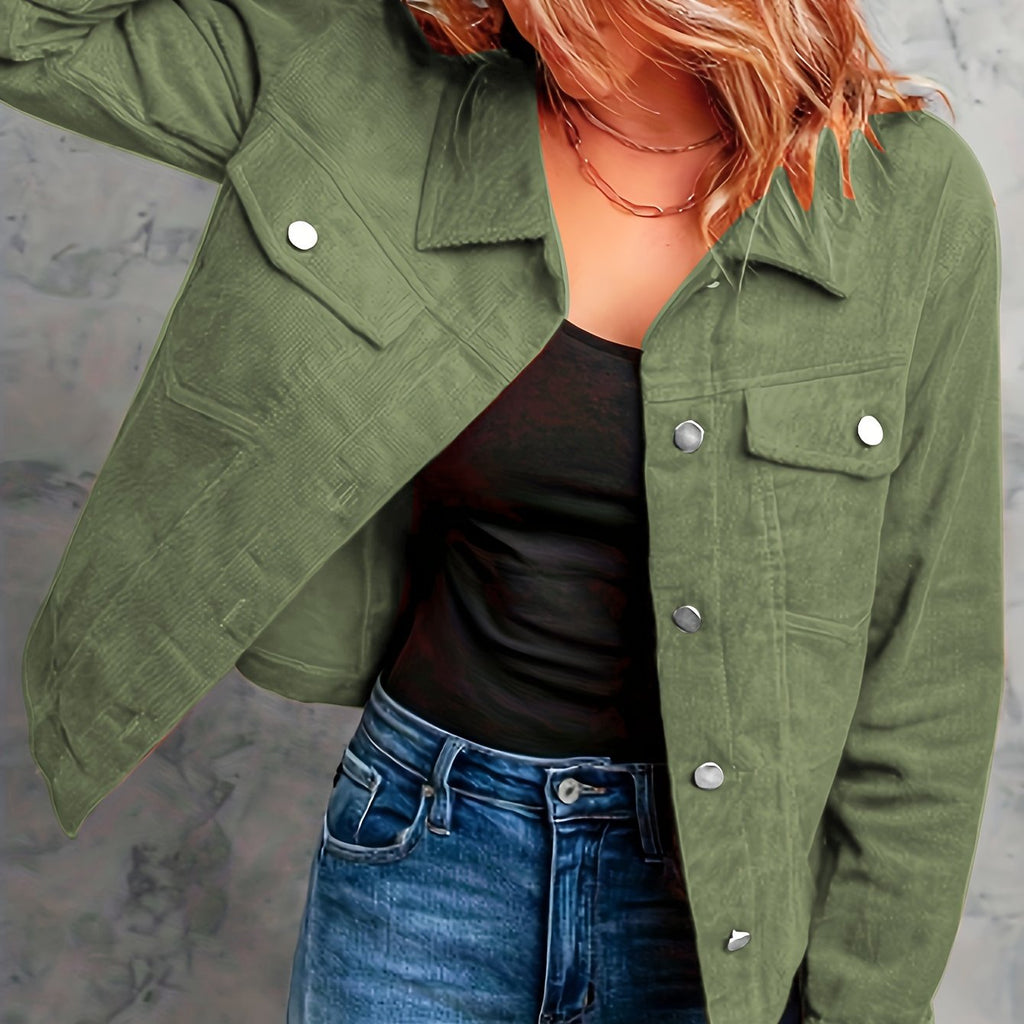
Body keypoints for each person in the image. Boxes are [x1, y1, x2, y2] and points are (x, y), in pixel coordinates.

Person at [1, 0, 1004, 1022]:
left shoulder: (906, 201)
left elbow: (927, 663)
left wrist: (862, 1005)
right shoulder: (371, 80)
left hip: (718, 908)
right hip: (423, 850)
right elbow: (30, 33)